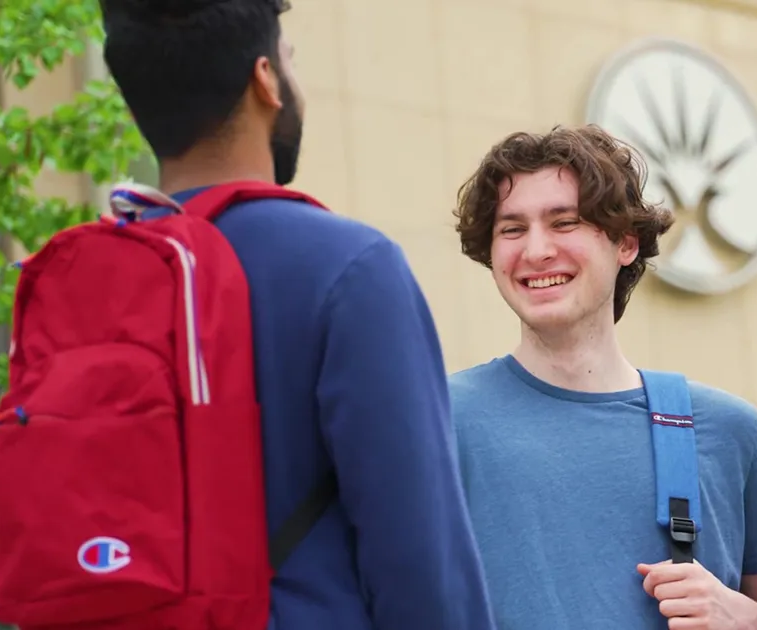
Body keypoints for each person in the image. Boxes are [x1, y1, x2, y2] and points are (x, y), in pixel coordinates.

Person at [97, 1, 495, 628]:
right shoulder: (348, 266)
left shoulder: (90, 274)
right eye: (289, 60)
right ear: (265, 81)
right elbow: (423, 566)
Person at [449, 125, 757, 629]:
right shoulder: (440, 419)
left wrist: (756, 623)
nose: (536, 250)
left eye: (564, 222)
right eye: (511, 229)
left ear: (626, 243)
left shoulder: (726, 429)